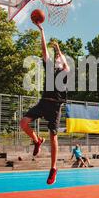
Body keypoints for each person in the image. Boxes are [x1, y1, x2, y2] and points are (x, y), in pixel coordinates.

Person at [19, 22, 70, 185]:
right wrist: (42, 30)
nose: (56, 58)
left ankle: (53, 168)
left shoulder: (65, 72)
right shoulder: (50, 68)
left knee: (54, 137)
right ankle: (37, 140)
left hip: (55, 107)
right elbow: (43, 51)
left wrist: (59, 50)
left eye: (59, 58)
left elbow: (65, 63)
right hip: (43, 103)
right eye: (56, 57)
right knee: (23, 123)